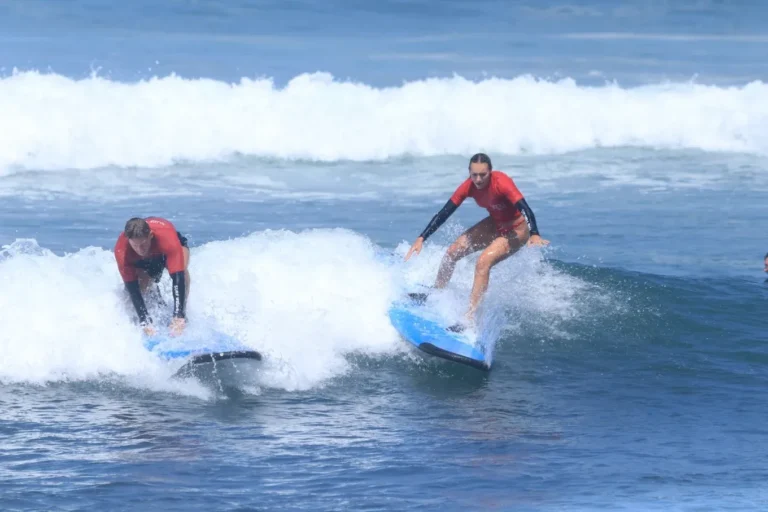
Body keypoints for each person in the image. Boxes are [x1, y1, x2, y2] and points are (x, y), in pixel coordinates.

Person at [404, 153, 549, 329]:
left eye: (483, 175)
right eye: (474, 175)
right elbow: (445, 212)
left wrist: (534, 232)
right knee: (452, 252)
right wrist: (422, 238)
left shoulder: (501, 182)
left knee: (483, 262)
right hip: (495, 224)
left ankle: (470, 318)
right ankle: (436, 295)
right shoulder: (468, 186)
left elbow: (524, 207)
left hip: (517, 230)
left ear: (490, 172)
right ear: (469, 173)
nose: (478, 179)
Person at [114, 217, 190, 336]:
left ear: (150, 235)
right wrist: (144, 320)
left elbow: (178, 277)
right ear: (128, 240)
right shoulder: (122, 249)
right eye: (135, 245)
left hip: (166, 247)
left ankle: (181, 316)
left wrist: (178, 315)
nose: (140, 249)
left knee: (183, 271)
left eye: (143, 244)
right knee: (142, 284)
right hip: (144, 259)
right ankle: (151, 314)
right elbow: (132, 287)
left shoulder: (167, 238)